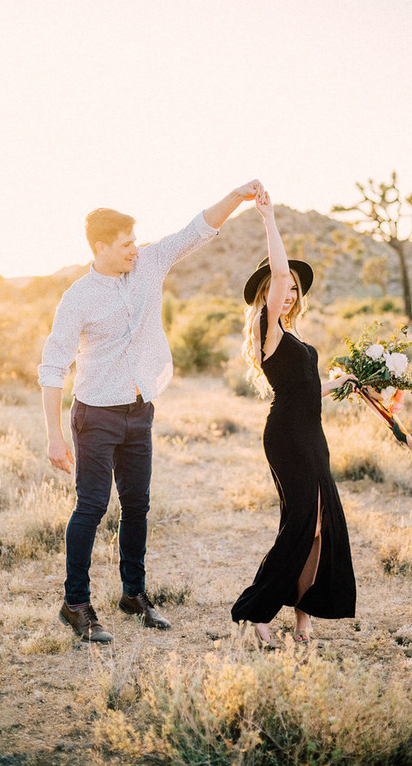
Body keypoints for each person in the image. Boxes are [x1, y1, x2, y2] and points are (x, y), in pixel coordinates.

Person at [39, 179, 264, 643]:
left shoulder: (150, 265)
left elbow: (195, 231)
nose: (135, 250)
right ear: (100, 248)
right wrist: (54, 436)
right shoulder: (77, 297)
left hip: (140, 411)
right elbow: (53, 367)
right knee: (92, 506)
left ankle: (133, 594)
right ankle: (75, 603)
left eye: (136, 241)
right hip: (95, 415)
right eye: (125, 245)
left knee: (138, 505)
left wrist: (238, 196)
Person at [231, 190, 356, 645]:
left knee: (321, 525)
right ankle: (258, 612)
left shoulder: (297, 339)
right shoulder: (269, 331)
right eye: (281, 289)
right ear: (267, 296)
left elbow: (305, 389)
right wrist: (269, 219)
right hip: (286, 437)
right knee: (301, 522)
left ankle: (303, 619)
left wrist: (341, 384)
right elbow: (280, 270)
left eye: (294, 291)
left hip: (312, 436)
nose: (288, 294)